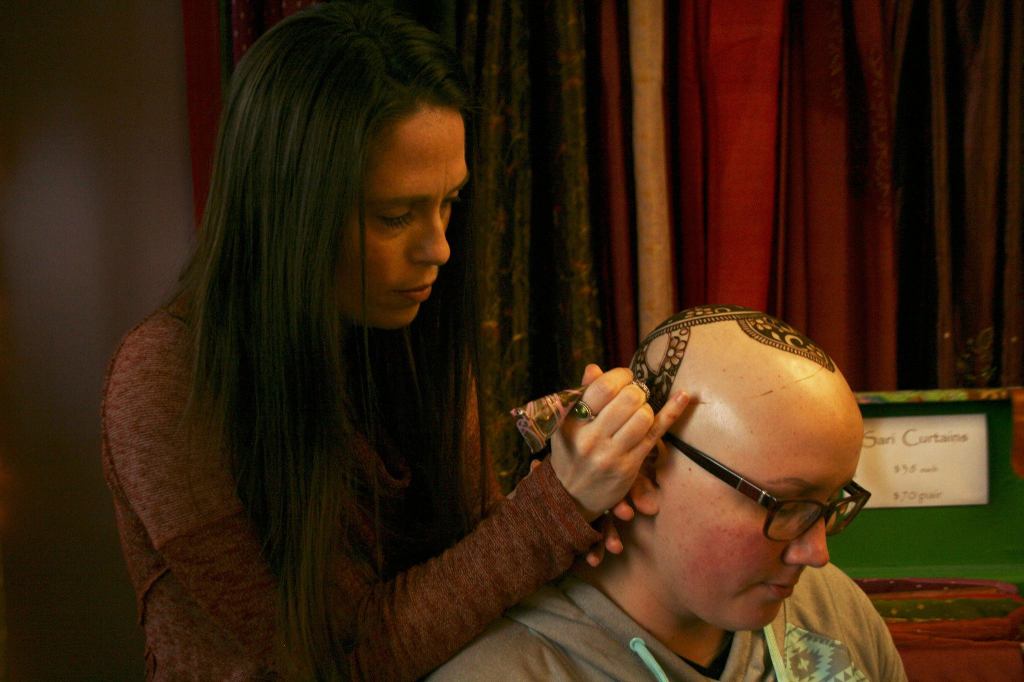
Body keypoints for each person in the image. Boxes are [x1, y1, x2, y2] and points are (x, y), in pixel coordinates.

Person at [99, 3, 688, 680]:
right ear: (289, 209)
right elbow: (336, 661)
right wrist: (553, 510)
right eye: (395, 215)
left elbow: (467, 572)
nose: (439, 248)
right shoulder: (166, 383)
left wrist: (578, 495)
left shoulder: (408, 332)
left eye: (449, 202)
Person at [431, 305, 909, 681]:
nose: (818, 554)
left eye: (832, 504)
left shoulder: (835, 611)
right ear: (647, 471)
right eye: (786, 507)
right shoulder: (506, 670)